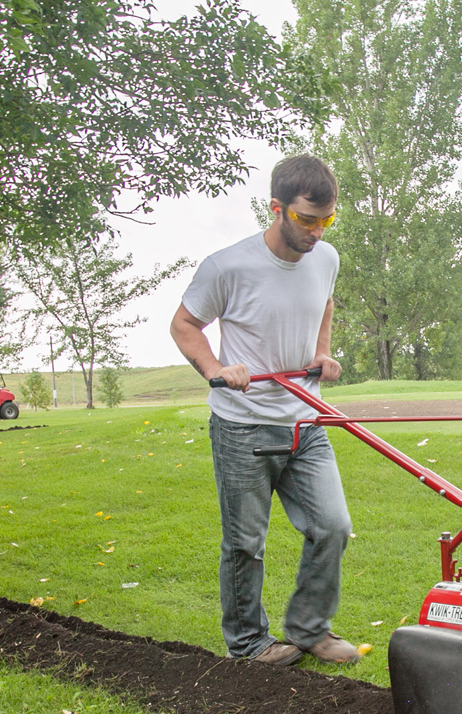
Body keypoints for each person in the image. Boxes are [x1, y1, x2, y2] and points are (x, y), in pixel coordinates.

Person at [169, 154, 359, 667]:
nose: (317, 232)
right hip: (242, 424)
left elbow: (324, 303)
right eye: (306, 219)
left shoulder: (326, 258)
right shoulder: (227, 265)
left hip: (305, 419)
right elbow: (185, 324)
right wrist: (215, 366)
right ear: (276, 208)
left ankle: (309, 628)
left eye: (327, 220)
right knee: (246, 544)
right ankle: (249, 644)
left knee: (333, 527)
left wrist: (321, 353)